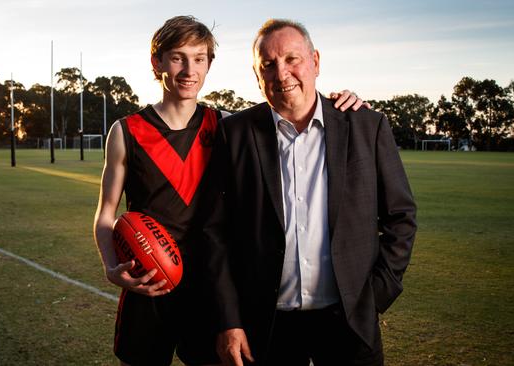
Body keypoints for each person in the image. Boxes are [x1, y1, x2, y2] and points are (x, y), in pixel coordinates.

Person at [93, 15, 367, 366]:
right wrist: (111, 266)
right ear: (156, 62)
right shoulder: (126, 131)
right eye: (177, 57)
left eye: (199, 58)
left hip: (213, 287)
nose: (189, 69)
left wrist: (346, 100)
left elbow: (291, 105)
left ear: (209, 64)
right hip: (150, 280)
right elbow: (105, 214)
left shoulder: (226, 125)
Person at [202, 19, 417, 366]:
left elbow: (401, 217)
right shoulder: (235, 133)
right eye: (268, 65)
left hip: (349, 321)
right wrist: (229, 320)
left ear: (315, 61)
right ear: (257, 76)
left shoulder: (366, 125)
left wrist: (375, 295)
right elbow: (215, 233)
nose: (282, 73)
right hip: (267, 326)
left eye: (292, 59)